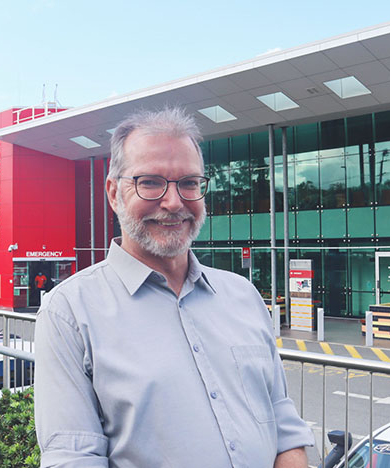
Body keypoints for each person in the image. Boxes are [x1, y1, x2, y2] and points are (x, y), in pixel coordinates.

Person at [35, 107, 313, 468]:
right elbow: (73, 459)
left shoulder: (243, 296)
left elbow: (283, 423)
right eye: (150, 182)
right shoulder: (69, 313)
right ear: (114, 193)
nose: (174, 202)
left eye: (189, 183)